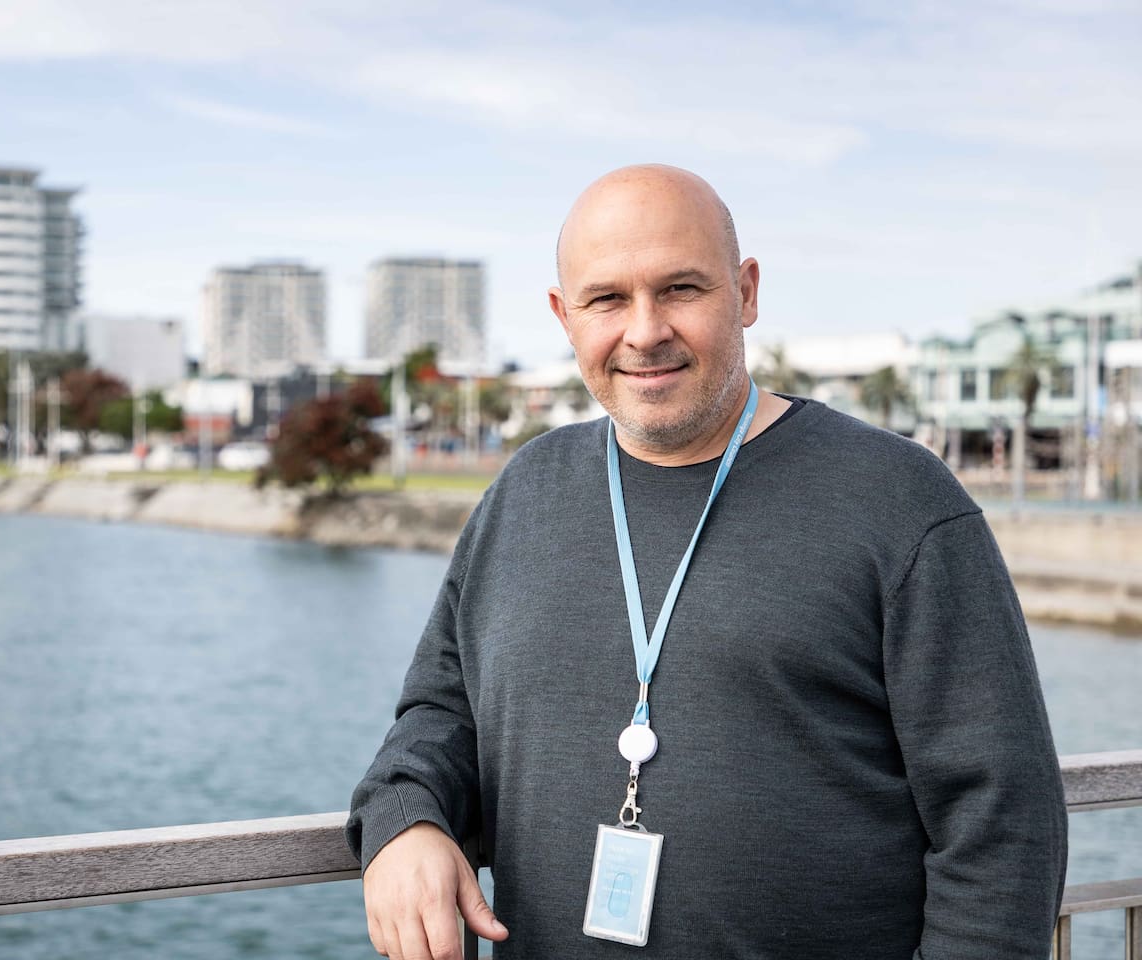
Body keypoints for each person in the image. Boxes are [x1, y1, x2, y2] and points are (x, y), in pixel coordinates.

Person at [347, 164, 1068, 959]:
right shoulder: (524, 492)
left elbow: (1002, 825)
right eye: (606, 299)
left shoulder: (899, 501)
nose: (645, 330)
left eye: (681, 289)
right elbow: (440, 716)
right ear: (564, 316)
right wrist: (405, 820)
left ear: (746, 293)